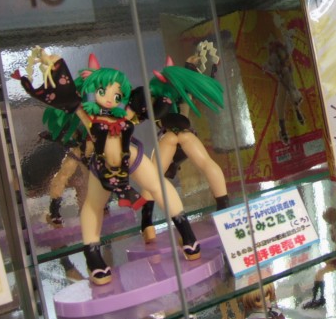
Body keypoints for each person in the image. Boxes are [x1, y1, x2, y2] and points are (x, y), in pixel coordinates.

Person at [14, 47, 201, 285]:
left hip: (130, 157)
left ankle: (186, 232)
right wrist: (53, 63)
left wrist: (167, 94)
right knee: (93, 206)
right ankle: (93, 256)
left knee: (158, 185)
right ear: (95, 91)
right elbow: (68, 98)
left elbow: (152, 108)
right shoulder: (88, 117)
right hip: (103, 167)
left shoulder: (126, 114)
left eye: (117, 94)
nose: (111, 98)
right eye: (104, 91)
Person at [138, 50, 228, 243]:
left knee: (152, 177)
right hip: (187, 135)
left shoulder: (161, 91)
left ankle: (147, 224)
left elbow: (152, 114)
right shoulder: (180, 89)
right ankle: (224, 208)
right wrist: (188, 67)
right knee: (207, 164)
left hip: (168, 137)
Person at [302, 207, 336, 309]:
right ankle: (318, 297)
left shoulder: (335, 229)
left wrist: (331, 257)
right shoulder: (335, 228)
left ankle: (319, 298)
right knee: (319, 273)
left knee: (320, 273)